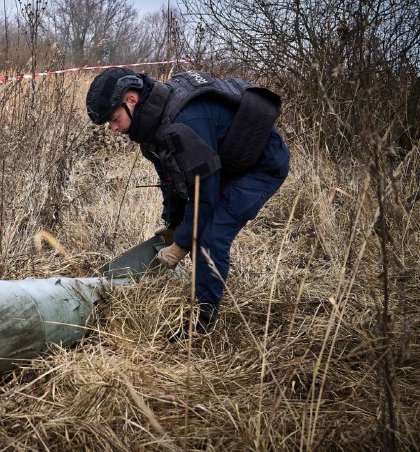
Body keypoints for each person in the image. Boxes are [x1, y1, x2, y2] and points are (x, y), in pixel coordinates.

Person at [86, 68, 290, 339]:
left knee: (208, 239)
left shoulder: (181, 126)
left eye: (114, 119)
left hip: (261, 166)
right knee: (197, 228)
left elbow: (203, 192)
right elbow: (173, 181)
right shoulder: (153, 129)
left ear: (131, 100)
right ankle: (204, 290)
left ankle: (202, 323)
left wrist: (182, 243)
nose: (113, 129)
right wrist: (174, 225)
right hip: (224, 163)